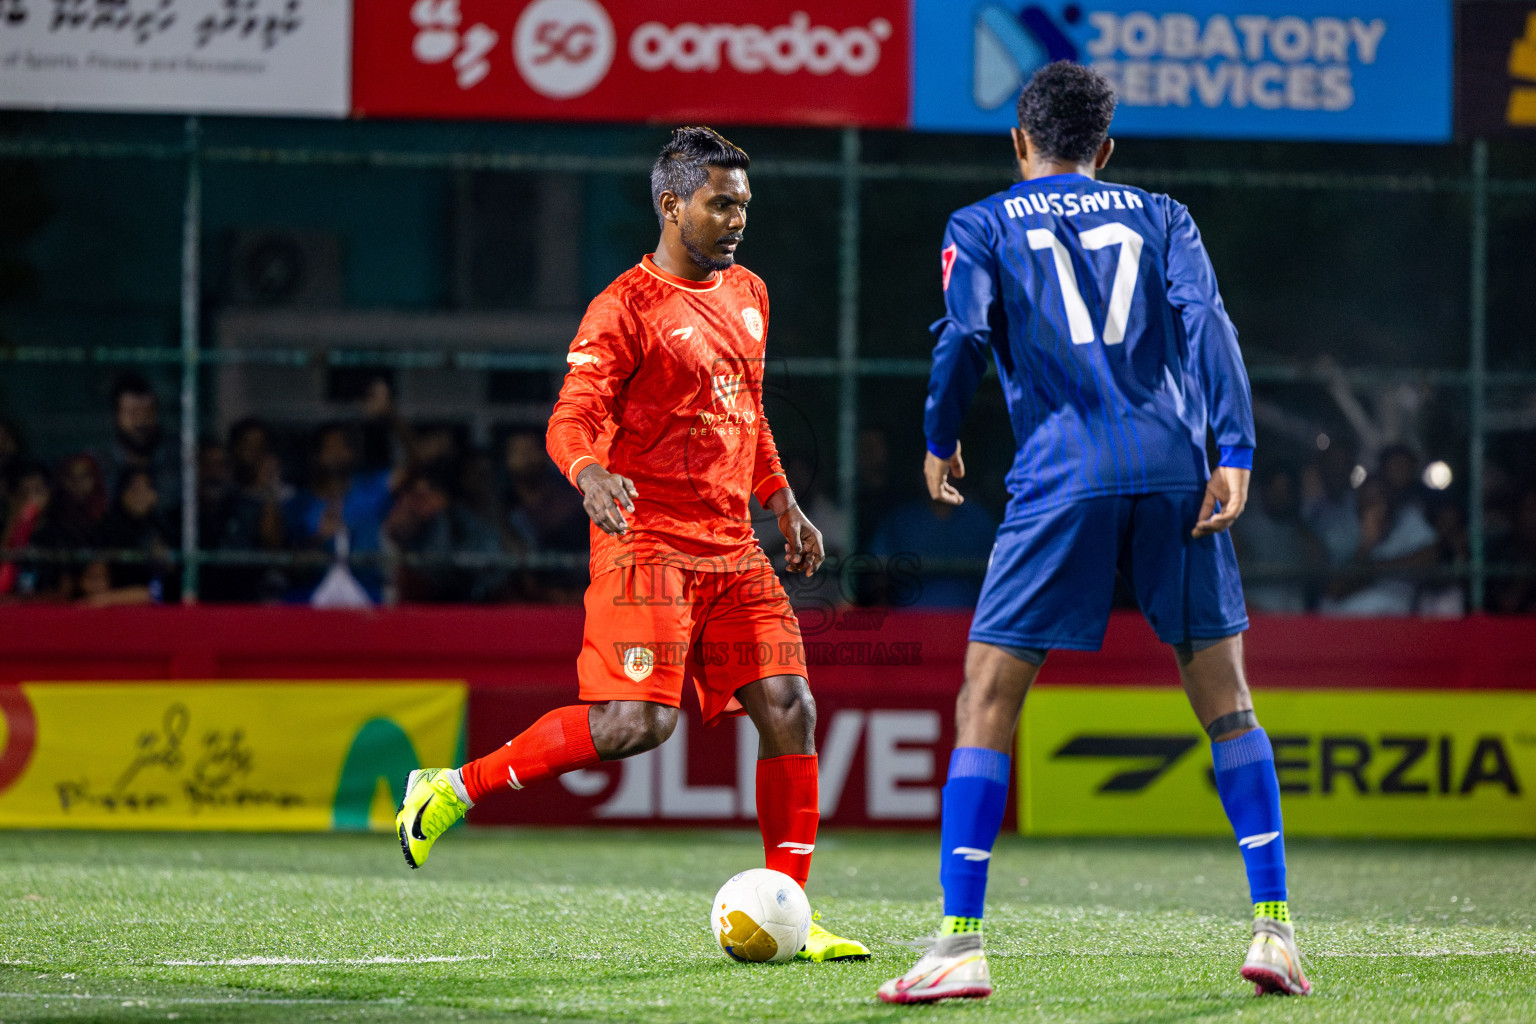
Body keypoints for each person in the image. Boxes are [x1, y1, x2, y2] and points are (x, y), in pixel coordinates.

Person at [879, 64, 1308, 1003]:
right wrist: (1233, 445)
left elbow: (961, 336)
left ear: (1018, 143)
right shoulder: (1163, 216)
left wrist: (939, 438)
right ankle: (1274, 930)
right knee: (1229, 702)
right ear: (1106, 149)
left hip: (1061, 472)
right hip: (1176, 471)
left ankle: (959, 944)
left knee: (988, 699)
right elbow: (1208, 324)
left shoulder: (981, 224)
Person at [394, 126, 868, 962]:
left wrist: (782, 498)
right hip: (644, 543)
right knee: (633, 728)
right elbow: (570, 416)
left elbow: (746, 413)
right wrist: (588, 473)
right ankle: (452, 787)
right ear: (671, 204)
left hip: (732, 549)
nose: (736, 220)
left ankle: (795, 907)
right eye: (721, 203)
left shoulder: (750, 292)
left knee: (791, 709)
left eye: (744, 205)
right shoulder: (624, 309)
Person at [285, 423, 393, 603]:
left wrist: (389, 416)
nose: (337, 453)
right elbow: (287, 560)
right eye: (330, 447)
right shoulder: (299, 503)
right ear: (316, 456)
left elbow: (417, 465)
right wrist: (319, 538)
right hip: (311, 596)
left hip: (366, 595)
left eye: (343, 446)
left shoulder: (370, 490)